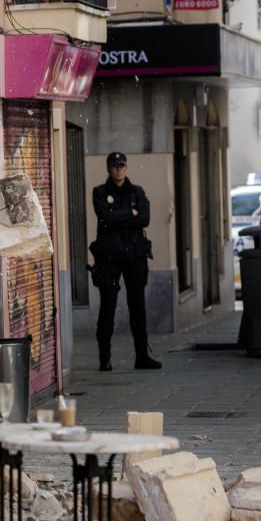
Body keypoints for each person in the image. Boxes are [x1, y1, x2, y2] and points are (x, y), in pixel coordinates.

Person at [90, 152, 161, 371]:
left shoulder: (137, 192)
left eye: (122, 165)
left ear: (126, 168)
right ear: (109, 169)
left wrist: (119, 216)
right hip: (110, 258)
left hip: (134, 257)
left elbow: (144, 218)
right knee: (108, 307)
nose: (118, 169)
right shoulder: (100, 192)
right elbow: (105, 217)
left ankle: (142, 356)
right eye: (114, 166)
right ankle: (105, 358)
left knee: (137, 306)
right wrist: (128, 214)